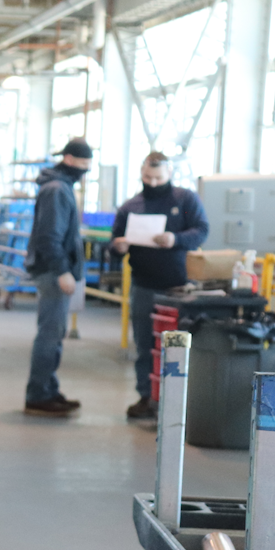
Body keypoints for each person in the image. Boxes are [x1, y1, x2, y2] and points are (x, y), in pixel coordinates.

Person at [110, 152, 210, 420]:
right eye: (147, 177)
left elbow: (201, 229)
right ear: (141, 174)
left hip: (178, 288)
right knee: (145, 344)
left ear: (169, 175)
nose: (153, 183)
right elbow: (114, 242)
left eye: (158, 178)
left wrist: (175, 239)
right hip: (143, 286)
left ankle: (179, 399)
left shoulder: (185, 199)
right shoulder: (131, 206)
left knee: (178, 344)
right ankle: (147, 396)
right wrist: (118, 247)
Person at [23, 138, 92, 417]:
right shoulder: (56, 190)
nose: (86, 170)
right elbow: (49, 237)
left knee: (54, 333)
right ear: (71, 160)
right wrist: (63, 270)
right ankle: (39, 395)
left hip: (55, 270)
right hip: (54, 272)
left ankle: (48, 390)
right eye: (85, 164)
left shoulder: (59, 187)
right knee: (50, 335)